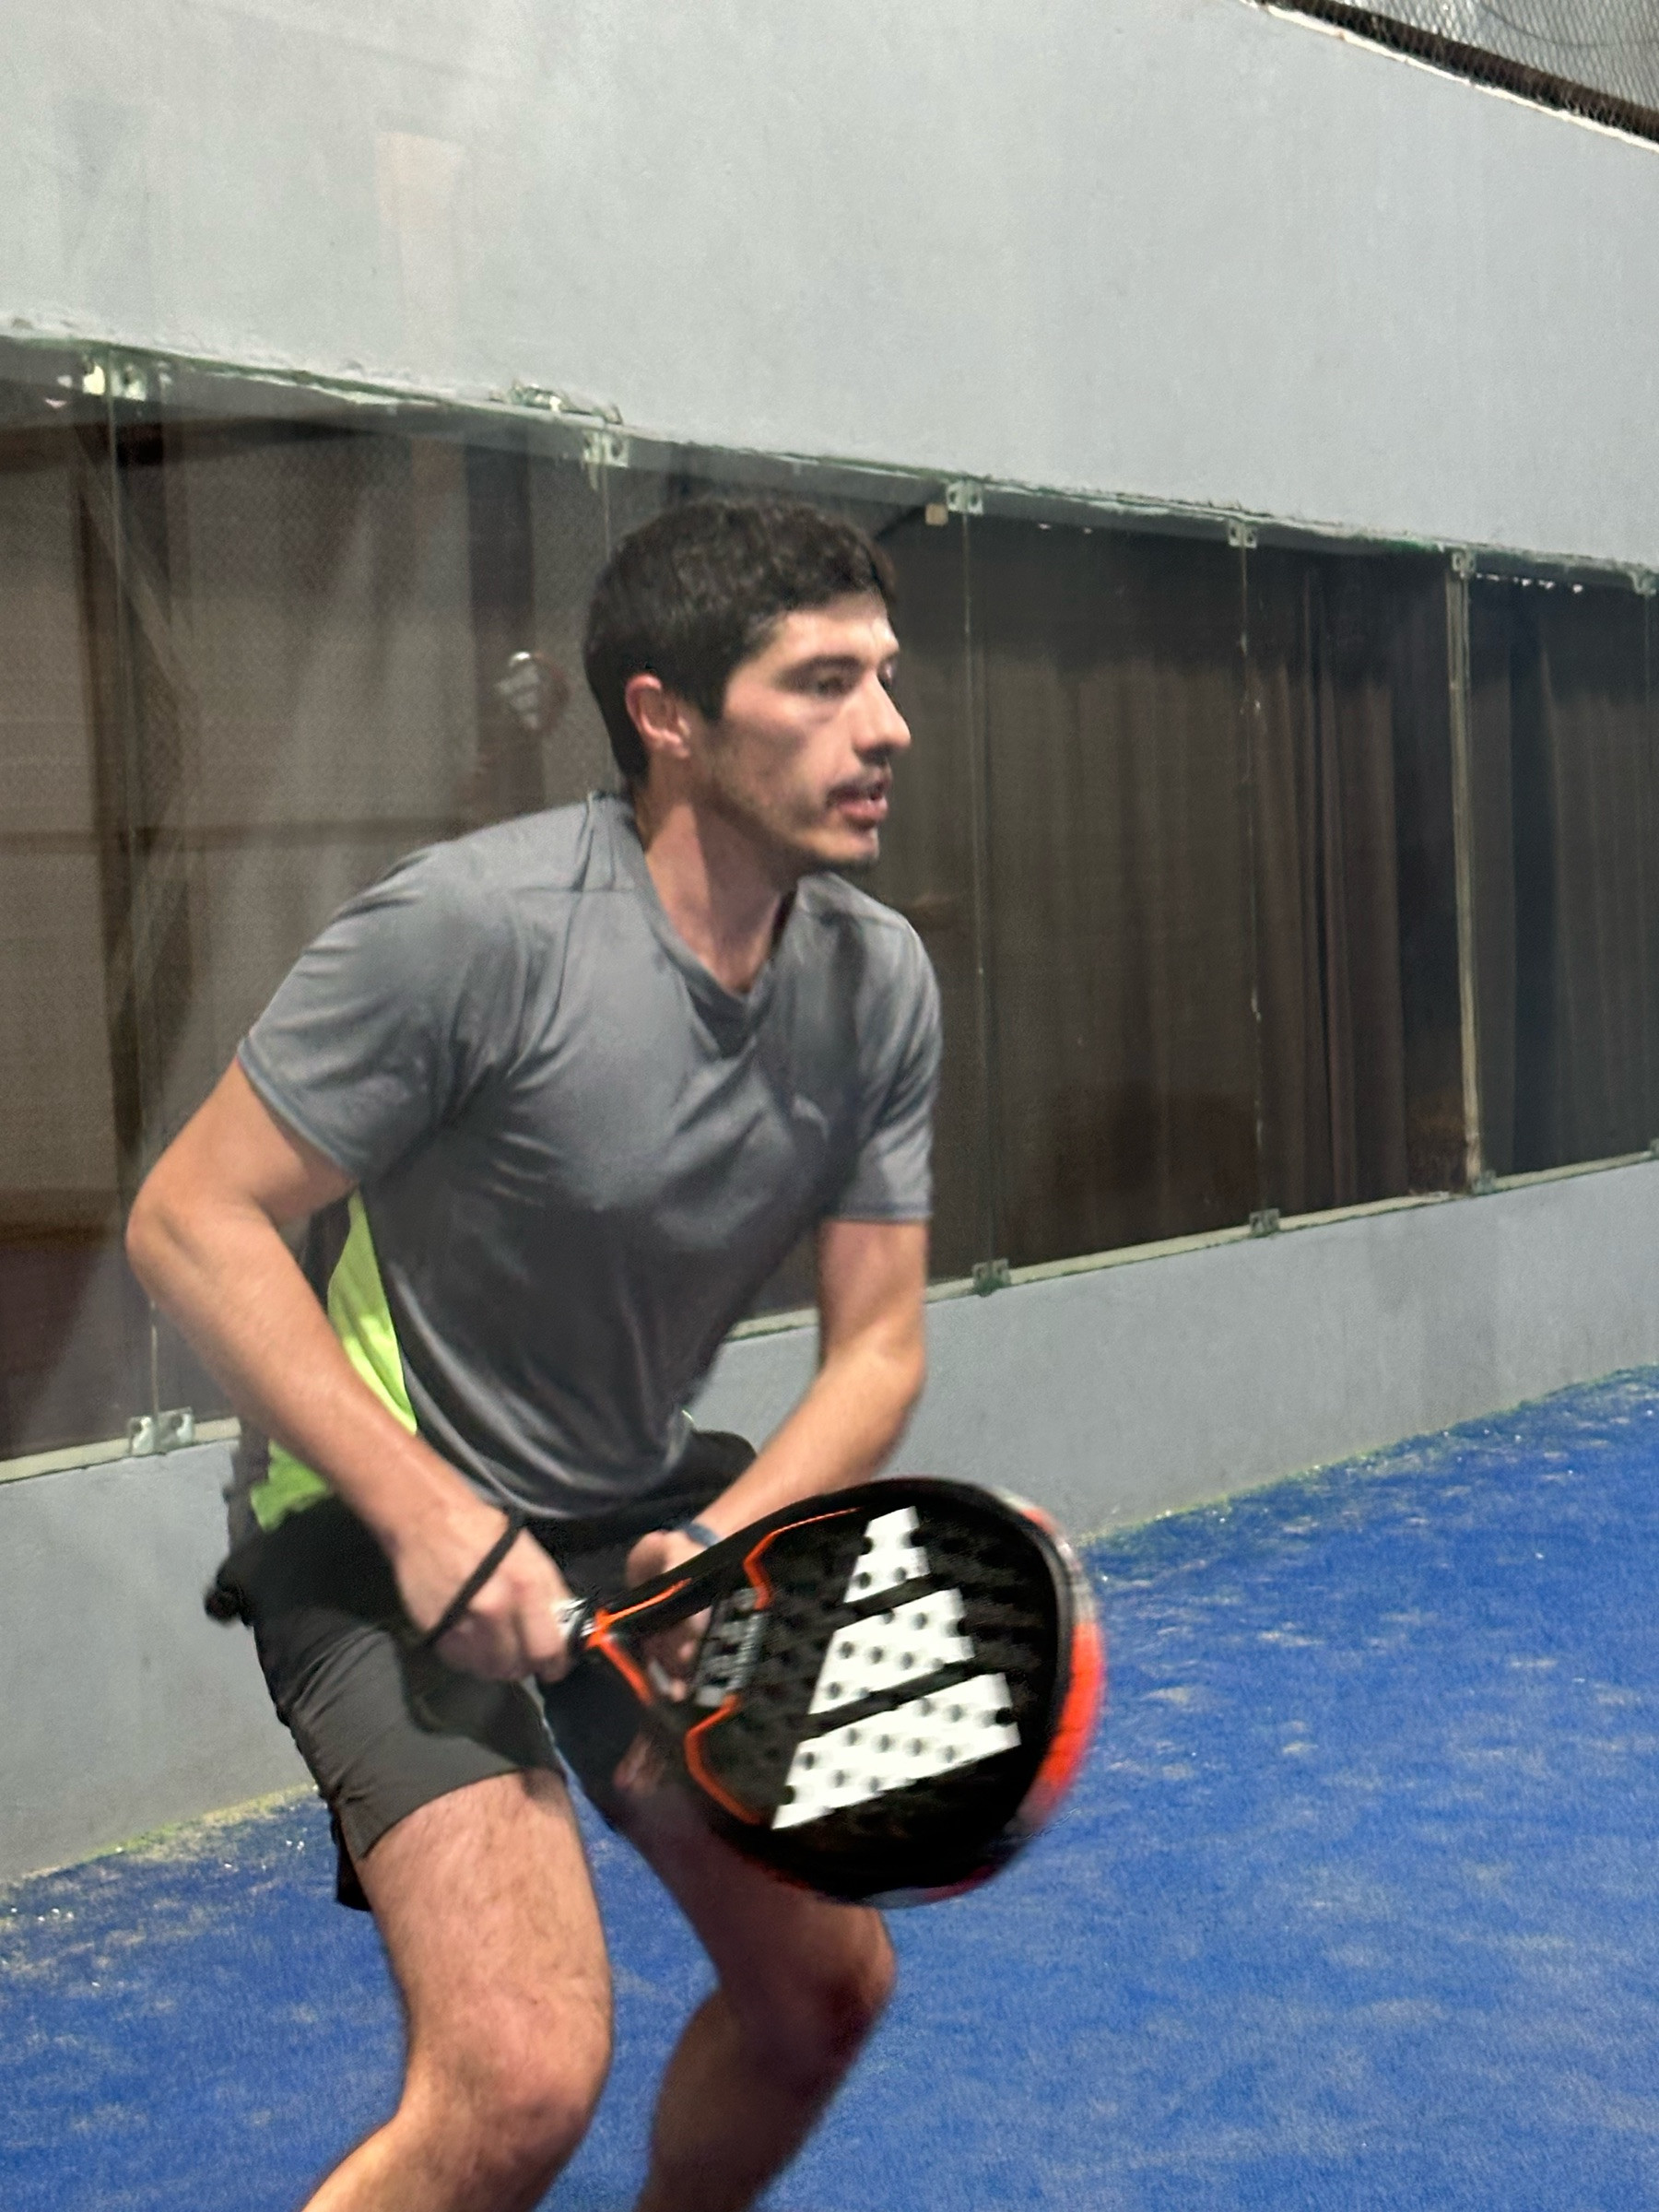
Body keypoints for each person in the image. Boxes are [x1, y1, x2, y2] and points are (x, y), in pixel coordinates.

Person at [126, 497, 940, 2212]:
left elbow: (877, 1347)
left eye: (884, 676)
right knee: (516, 2082)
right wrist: (429, 1516)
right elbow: (192, 1219)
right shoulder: (475, 933)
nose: (886, 727)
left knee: (821, 1998)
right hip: (367, 1523)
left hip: (635, 1513)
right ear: (668, 716)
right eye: (822, 683)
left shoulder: (878, 984)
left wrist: (726, 1539)